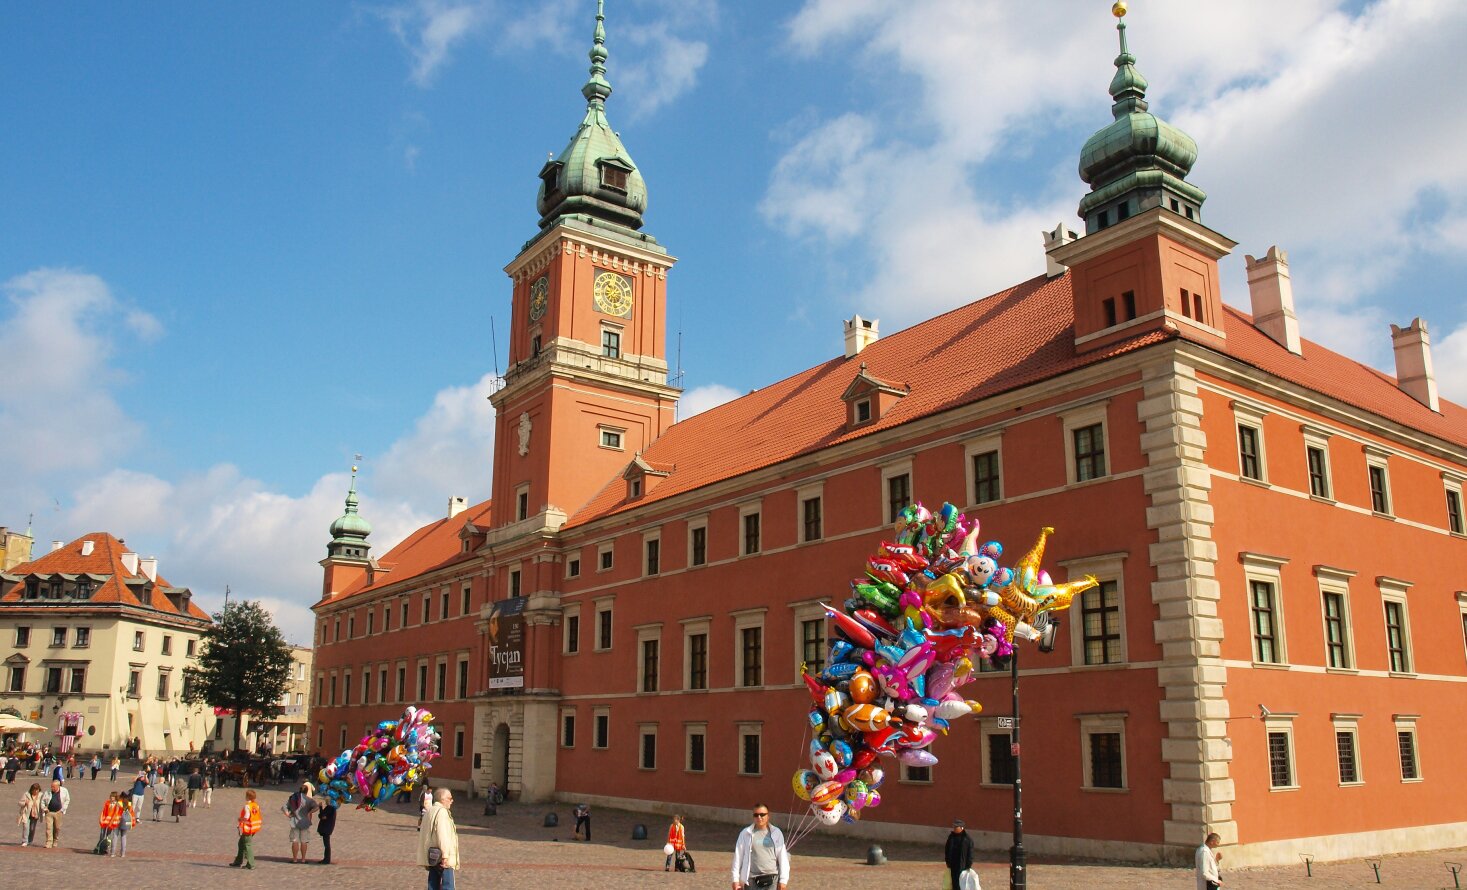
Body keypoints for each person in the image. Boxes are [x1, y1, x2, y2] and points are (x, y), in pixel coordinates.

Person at [731, 804, 789, 890]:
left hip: (772, 879)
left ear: (768, 816)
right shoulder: (745, 833)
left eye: (762, 814)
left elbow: (783, 858)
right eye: (756, 815)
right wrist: (735, 879)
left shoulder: (776, 833)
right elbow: (738, 857)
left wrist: (783, 880)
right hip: (751, 880)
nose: (759, 817)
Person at [417, 788, 460, 890]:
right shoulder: (442, 812)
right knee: (448, 886)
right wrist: (445, 856)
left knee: (433, 886)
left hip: (432, 855)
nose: (452, 801)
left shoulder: (430, 810)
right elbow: (442, 835)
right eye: (450, 798)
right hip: (442, 857)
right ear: (442, 799)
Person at [282, 781, 320, 863]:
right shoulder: (309, 800)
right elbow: (317, 807)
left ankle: (295, 859)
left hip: (294, 822)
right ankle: (303, 859)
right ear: (307, 791)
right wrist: (310, 812)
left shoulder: (293, 798)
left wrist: (288, 814)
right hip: (305, 822)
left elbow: (284, 807)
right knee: (304, 841)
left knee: (295, 841)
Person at [230, 789, 262, 869]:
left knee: (247, 845)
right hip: (254, 828)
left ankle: (251, 864)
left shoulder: (247, 806)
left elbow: (246, 817)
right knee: (241, 843)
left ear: (248, 797)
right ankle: (238, 861)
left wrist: (240, 819)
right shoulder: (256, 805)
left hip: (248, 828)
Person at [945, 818, 974, 890]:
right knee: (954, 884)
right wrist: (948, 862)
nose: (954, 828)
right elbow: (947, 850)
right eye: (954, 826)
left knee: (962, 885)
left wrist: (968, 865)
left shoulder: (967, 839)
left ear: (962, 828)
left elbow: (970, 854)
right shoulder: (951, 837)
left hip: (962, 866)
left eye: (956, 827)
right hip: (953, 865)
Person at [40, 777, 70, 848]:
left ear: (58, 786)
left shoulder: (64, 791)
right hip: (49, 812)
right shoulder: (47, 792)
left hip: (58, 812)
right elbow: (42, 801)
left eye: (53, 787)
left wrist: (62, 809)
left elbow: (67, 800)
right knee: (48, 828)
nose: (52, 788)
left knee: (57, 828)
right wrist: (44, 808)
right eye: (51, 786)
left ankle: (55, 840)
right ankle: (48, 842)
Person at [17, 782, 43, 846]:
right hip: (26, 814)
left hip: (35, 814)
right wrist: (25, 803)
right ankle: (24, 841)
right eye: (34, 790)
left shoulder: (41, 795)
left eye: (37, 790)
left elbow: (43, 803)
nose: (36, 791)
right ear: (32, 789)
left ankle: (30, 840)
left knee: (32, 829)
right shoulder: (26, 794)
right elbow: (19, 803)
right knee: (26, 827)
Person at [316, 794, 337, 865]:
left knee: (326, 845)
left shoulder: (329, 808)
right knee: (326, 844)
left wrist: (320, 809)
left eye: (326, 800)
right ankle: (326, 859)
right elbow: (323, 816)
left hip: (326, 828)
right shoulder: (332, 808)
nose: (326, 802)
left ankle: (327, 859)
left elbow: (322, 816)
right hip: (328, 828)